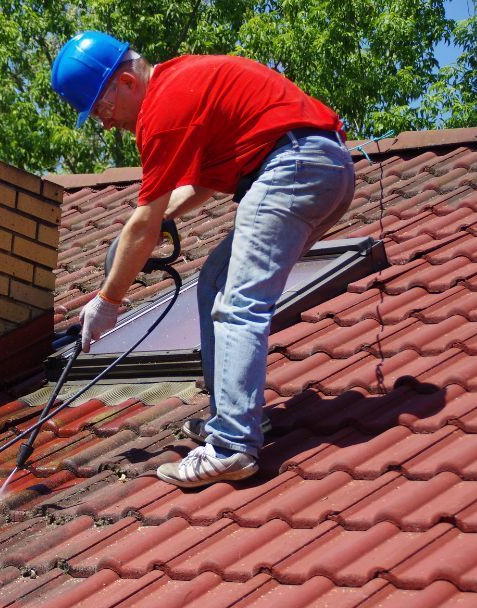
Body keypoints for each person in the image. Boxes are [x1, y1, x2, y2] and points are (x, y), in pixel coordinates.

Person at [50, 31, 355, 488]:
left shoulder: (163, 110)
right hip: (321, 167)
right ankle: (231, 414)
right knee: (215, 279)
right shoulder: (183, 85)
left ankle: (232, 445)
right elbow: (205, 186)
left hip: (294, 164)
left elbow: (144, 219)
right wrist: (156, 223)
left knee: (239, 303)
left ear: (128, 82)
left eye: (101, 108)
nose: (105, 123)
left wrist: (108, 300)